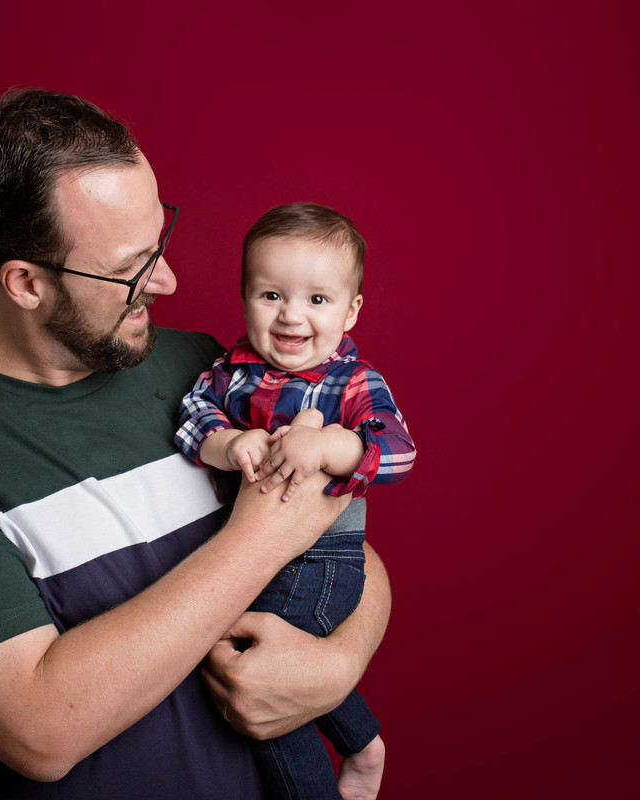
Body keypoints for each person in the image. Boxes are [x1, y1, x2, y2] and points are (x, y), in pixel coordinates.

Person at [0, 88, 391, 799]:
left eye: (160, 238)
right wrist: (257, 539)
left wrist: (338, 666)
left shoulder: (209, 369)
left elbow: (344, 552)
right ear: (26, 283)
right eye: (132, 263)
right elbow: (38, 731)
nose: (165, 279)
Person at [176, 202, 415, 800]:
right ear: (244, 296)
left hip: (323, 561)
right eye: (271, 295)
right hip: (251, 554)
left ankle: (336, 775)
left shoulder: (353, 382)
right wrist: (230, 443)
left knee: (253, 682)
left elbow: (400, 451)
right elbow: (192, 420)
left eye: (317, 300)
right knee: (273, 670)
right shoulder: (228, 374)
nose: (292, 317)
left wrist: (331, 445)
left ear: (351, 309)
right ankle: (363, 741)